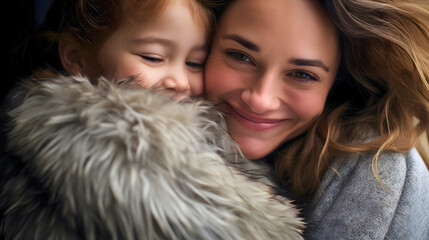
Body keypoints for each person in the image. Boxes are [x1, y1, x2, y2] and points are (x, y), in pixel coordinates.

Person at [0, 0, 305, 239]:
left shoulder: (202, 133)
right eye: (153, 57)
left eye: (194, 63)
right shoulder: (93, 138)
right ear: (77, 58)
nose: (179, 80)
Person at [204, 0, 429, 238]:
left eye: (302, 75)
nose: (260, 99)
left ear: (336, 85)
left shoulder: (378, 173)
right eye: (240, 56)